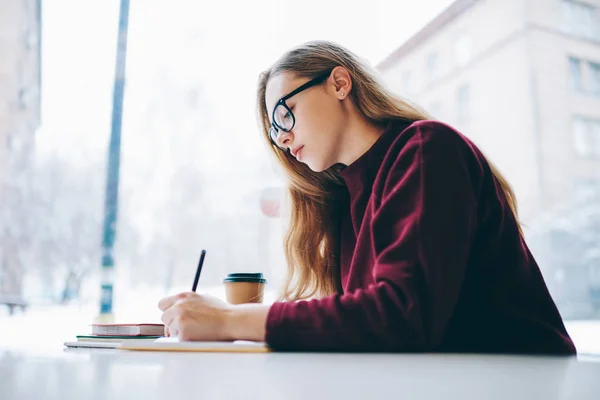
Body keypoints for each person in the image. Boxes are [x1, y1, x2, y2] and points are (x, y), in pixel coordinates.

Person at [158, 41, 576, 354]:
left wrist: (230, 320)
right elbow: (367, 326)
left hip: (524, 385)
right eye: (273, 129)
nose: (282, 138)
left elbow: (400, 318)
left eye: (284, 112)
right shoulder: (346, 202)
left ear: (340, 83)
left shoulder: (428, 149)